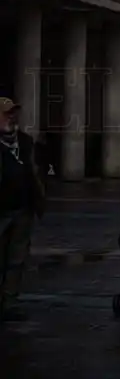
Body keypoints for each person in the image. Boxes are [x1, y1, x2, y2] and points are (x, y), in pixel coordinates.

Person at [0, 98, 46, 321]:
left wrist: (39, 200)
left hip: (23, 209)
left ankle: (9, 302)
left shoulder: (25, 142)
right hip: (2, 210)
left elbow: (35, 171)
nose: (11, 118)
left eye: (14, 113)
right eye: (7, 114)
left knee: (17, 259)